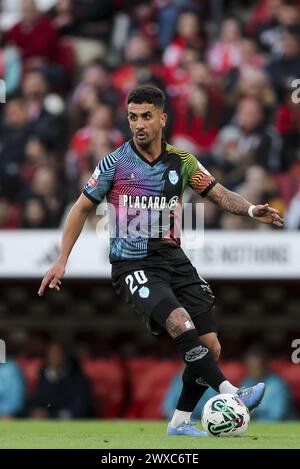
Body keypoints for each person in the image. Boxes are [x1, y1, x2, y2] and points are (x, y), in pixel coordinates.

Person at [38, 85, 284, 436]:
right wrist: (62, 260)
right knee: (180, 322)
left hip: (174, 259)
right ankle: (234, 393)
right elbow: (80, 209)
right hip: (132, 264)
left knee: (210, 345)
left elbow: (217, 193)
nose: (139, 124)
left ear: (162, 118)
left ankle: (180, 422)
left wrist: (249, 208)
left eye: (146, 116)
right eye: (133, 117)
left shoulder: (182, 162)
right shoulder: (114, 163)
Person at [29, 341, 92, 419]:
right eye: (52, 353)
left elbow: (79, 409)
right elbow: (36, 402)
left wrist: (51, 415)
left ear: (65, 355)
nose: (55, 356)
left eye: (58, 353)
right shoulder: (42, 377)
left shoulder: (78, 379)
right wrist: (36, 412)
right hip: (43, 423)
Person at [240, 345, 296, 421]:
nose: (253, 370)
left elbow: (276, 416)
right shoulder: (246, 383)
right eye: (250, 366)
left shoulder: (277, 385)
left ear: (264, 365)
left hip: (283, 426)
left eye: (256, 366)